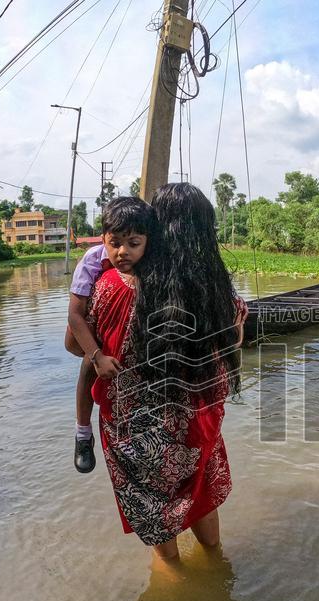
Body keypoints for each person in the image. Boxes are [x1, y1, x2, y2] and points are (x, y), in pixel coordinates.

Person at [88, 183, 248, 560]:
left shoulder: (114, 287)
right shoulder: (221, 295)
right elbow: (233, 346)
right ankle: (214, 567)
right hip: (197, 422)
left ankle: (172, 585)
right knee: (202, 494)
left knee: (154, 506)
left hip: (136, 429)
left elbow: (74, 344)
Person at [65, 197, 155, 473]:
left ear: (147, 241)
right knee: (87, 367)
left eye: (133, 244)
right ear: (104, 238)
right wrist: (96, 355)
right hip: (88, 333)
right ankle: (82, 435)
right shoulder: (93, 260)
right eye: (114, 243)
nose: (123, 252)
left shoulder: (154, 260)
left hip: (128, 330)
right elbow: (75, 315)